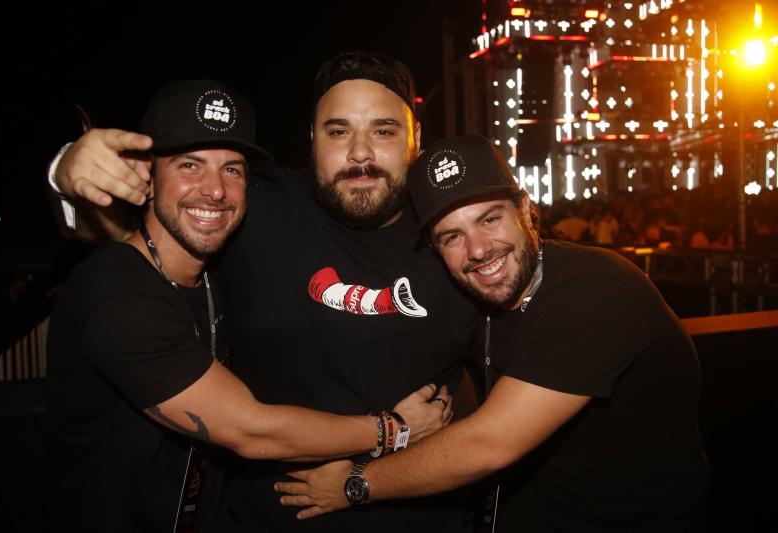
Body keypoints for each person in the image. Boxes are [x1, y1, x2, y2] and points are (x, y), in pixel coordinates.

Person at [49, 53, 481, 532]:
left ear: (415, 136)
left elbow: (496, 394)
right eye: (338, 131)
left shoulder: (463, 237)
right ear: (312, 139)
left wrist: (379, 472)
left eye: (383, 130)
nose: (360, 153)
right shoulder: (255, 211)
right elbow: (142, 228)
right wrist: (63, 173)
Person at [274, 135, 710, 531]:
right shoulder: (472, 301)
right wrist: (399, 424)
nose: (479, 249)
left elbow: (489, 444)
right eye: (452, 237)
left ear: (524, 210)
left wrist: (355, 483)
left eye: (489, 219)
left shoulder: (596, 288)